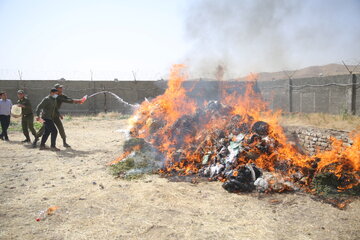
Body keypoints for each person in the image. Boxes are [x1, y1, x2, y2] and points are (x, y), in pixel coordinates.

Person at [33, 83, 82, 148]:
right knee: (44, 129)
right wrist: (77, 101)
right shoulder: (55, 97)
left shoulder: (61, 95)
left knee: (60, 127)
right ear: (56, 89)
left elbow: (68, 98)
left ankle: (64, 142)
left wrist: (78, 101)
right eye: (60, 88)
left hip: (55, 114)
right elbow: (66, 100)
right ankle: (36, 140)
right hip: (48, 115)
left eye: (61, 88)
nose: (61, 89)